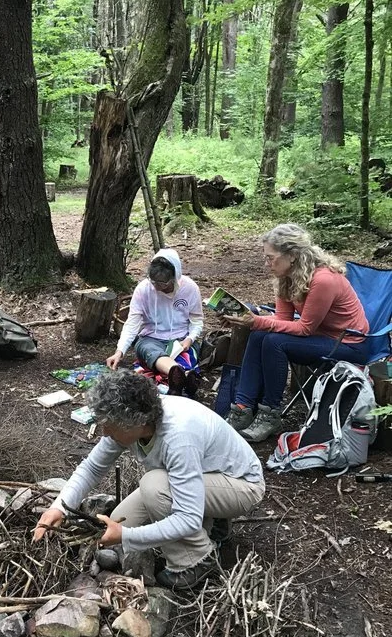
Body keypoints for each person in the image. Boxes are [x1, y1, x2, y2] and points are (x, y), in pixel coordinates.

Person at [32, 371, 265, 591]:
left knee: (154, 487)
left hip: (241, 485)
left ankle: (197, 560)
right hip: (207, 478)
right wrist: (59, 508)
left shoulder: (178, 437)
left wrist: (126, 536)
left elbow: (187, 518)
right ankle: (215, 522)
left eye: (108, 425)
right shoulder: (132, 424)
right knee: (120, 520)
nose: (104, 432)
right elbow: (92, 467)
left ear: (134, 422)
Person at [223, 224, 370, 443]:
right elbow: (282, 319)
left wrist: (258, 321)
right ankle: (242, 409)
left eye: (270, 258)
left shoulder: (323, 280)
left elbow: (304, 328)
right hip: (320, 338)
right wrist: (247, 321)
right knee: (258, 335)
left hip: (348, 344)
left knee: (273, 341)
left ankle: (270, 413)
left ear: (291, 255)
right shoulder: (287, 277)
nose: (266, 264)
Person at [106, 248, 204, 396]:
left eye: (163, 284)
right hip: (151, 338)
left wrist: (189, 339)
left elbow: (197, 320)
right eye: (154, 282)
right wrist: (120, 351)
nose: (157, 287)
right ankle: (179, 375)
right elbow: (132, 323)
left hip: (181, 340)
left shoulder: (190, 288)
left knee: (189, 354)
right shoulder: (143, 289)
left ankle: (178, 379)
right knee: (150, 351)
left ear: (175, 277)